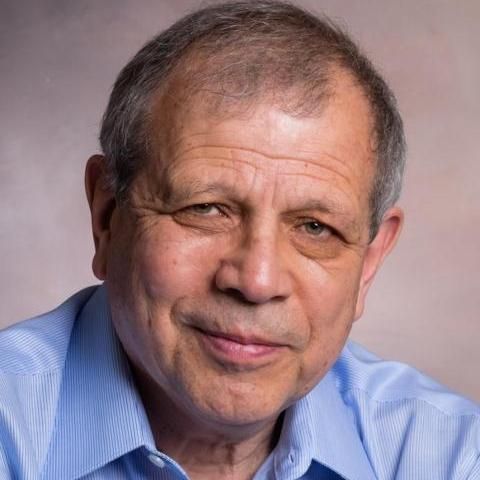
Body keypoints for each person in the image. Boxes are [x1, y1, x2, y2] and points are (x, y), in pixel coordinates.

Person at [1, 1, 479, 479]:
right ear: (107, 217)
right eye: (206, 209)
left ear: (369, 261)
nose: (256, 281)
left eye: (315, 227)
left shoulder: (452, 456)